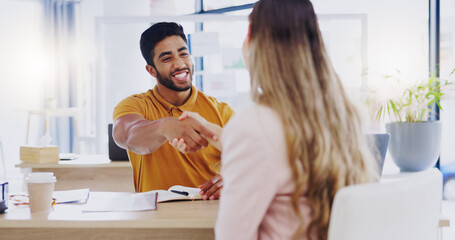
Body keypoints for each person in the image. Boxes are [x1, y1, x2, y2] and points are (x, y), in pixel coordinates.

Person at [173, 0, 379, 239]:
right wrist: (210, 131)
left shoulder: (255, 126)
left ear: (252, 43)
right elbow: (279, 151)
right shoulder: (340, 115)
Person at [112, 22, 234, 199]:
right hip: (155, 219)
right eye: (167, 58)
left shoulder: (222, 112)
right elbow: (127, 136)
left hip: (209, 217)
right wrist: (165, 126)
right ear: (152, 71)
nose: (179, 64)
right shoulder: (135, 105)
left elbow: (257, 159)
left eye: (183, 54)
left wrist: (233, 179)